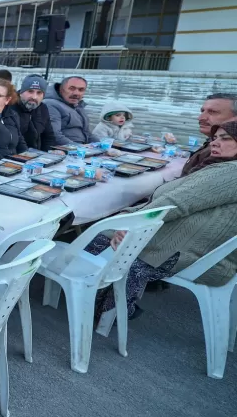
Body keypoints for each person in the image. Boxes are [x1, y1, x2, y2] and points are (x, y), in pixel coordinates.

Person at [90, 120, 237, 323]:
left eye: (226, 139)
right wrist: (127, 216)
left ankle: (99, 305)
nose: (214, 142)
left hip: (192, 254)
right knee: (109, 230)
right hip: (202, 249)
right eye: (215, 138)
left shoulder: (231, 172)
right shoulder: (221, 168)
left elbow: (174, 203)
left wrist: (129, 225)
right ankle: (104, 303)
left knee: (99, 237)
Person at [183, 93, 237, 176]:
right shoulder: (211, 142)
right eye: (202, 111)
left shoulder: (223, 153)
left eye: (213, 112)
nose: (201, 118)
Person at [43, 75, 92, 144]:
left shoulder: (78, 106)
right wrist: (80, 148)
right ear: (61, 89)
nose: (76, 93)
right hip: (63, 149)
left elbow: (88, 134)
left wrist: (101, 145)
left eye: (81, 90)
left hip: (82, 147)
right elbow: (54, 135)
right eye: (72, 88)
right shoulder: (50, 104)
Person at [12, 75, 56, 151]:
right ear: (21, 92)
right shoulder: (10, 106)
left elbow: (48, 136)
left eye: (39, 93)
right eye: (30, 91)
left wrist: (48, 154)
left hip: (36, 154)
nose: (34, 97)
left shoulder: (42, 108)